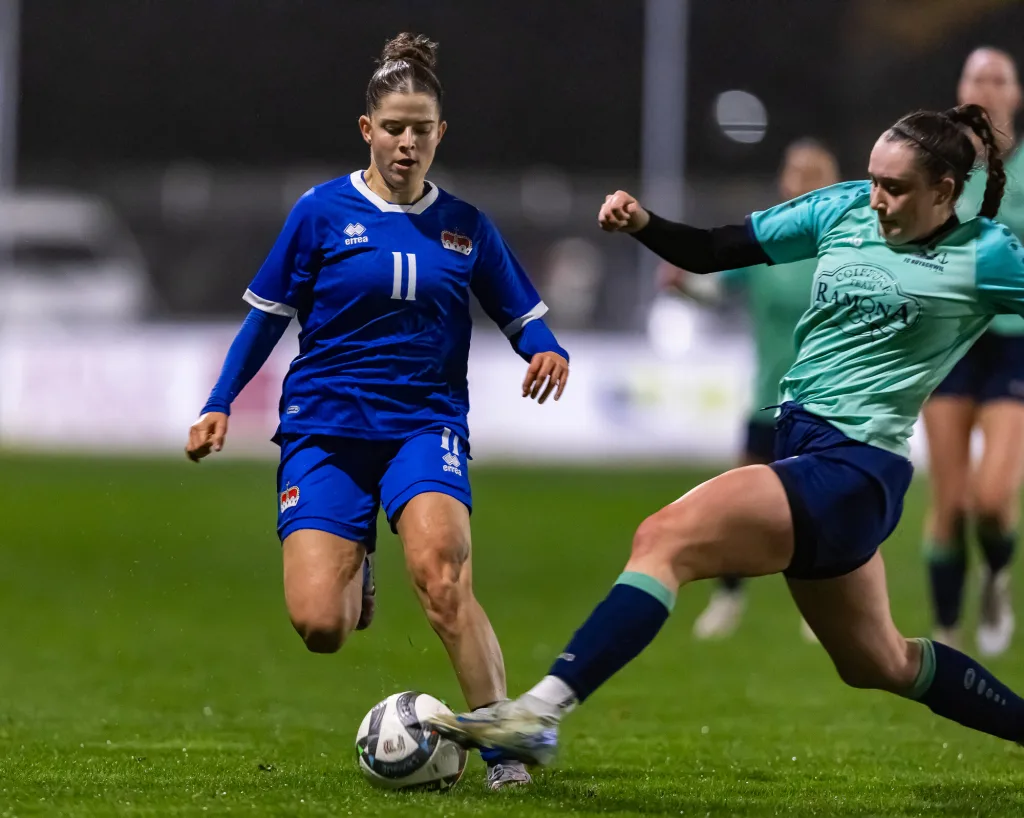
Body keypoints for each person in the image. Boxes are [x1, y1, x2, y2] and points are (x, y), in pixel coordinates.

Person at [425, 103, 1024, 769]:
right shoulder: (844, 209)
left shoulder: (986, 256)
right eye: (874, 179)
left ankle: (538, 713)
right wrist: (644, 224)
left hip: (856, 470)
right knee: (880, 662)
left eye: (897, 187)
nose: (878, 197)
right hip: (804, 449)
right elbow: (715, 250)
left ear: (945, 190)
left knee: (664, 537)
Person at [184, 33, 569, 790]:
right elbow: (265, 318)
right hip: (324, 433)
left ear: (439, 135)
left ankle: (504, 748)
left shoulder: (465, 225)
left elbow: (523, 315)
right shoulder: (320, 213)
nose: (407, 141)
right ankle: (355, 573)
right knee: (320, 627)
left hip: (424, 429)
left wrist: (546, 349)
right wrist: (219, 403)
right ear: (368, 129)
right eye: (393, 126)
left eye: (421, 128)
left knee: (443, 575)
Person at [660, 139, 840, 641]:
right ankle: (729, 598)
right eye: (794, 170)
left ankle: (822, 608)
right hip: (767, 398)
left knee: (817, 510)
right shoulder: (768, 242)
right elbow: (714, 289)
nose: (800, 180)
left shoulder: (843, 245)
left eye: (813, 171)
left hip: (826, 403)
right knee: (742, 507)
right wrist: (682, 286)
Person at [923, 47, 1024, 656]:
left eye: (999, 78)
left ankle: (995, 577)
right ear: (961, 90)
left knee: (991, 500)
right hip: (951, 343)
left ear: (1015, 95)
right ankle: (944, 636)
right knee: (952, 502)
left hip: (1014, 345)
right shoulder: (940, 165)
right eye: (976, 78)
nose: (987, 87)